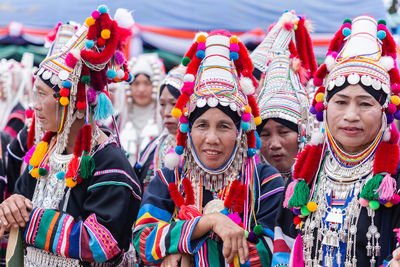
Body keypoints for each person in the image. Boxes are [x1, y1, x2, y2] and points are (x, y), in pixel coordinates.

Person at [0, 5, 142, 266]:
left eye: (41, 94)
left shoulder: (111, 165)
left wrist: (29, 218)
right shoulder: (44, 153)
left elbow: (102, 243)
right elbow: (17, 201)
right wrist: (12, 206)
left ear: (72, 101)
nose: (34, 105)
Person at [133, 30, 284, 266]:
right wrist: (210, 223)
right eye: (202, 125)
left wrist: (184, 248)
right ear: (188, 130)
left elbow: (266, 254)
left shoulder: (266, 182)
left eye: (223, 126)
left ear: (240, 132)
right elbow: (143, 241)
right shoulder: (169, 177)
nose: (211, 138)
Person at [271, 16, 400, 267]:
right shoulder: (305, 175)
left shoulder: (395, 179)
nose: (351, 115)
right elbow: (283, 252)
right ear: (325, 107)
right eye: (340, 102)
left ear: (385, 110)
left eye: (365, 103)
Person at [254, 11, 317, 182]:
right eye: (265, 135)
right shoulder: (250, 185)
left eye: (283, 132)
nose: (274, 144)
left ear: (303, 134)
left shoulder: (318, 181)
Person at [134, 64, 186, 189]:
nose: (167, 112)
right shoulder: (151, 151)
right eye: (162, 104)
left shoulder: (201, 152)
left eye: (174, 104)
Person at [120, 53, 165, 163]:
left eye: (146, 83)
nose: (141, 89)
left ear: (155, 85)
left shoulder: (165, 120)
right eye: (136, 83)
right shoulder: (117, 120)